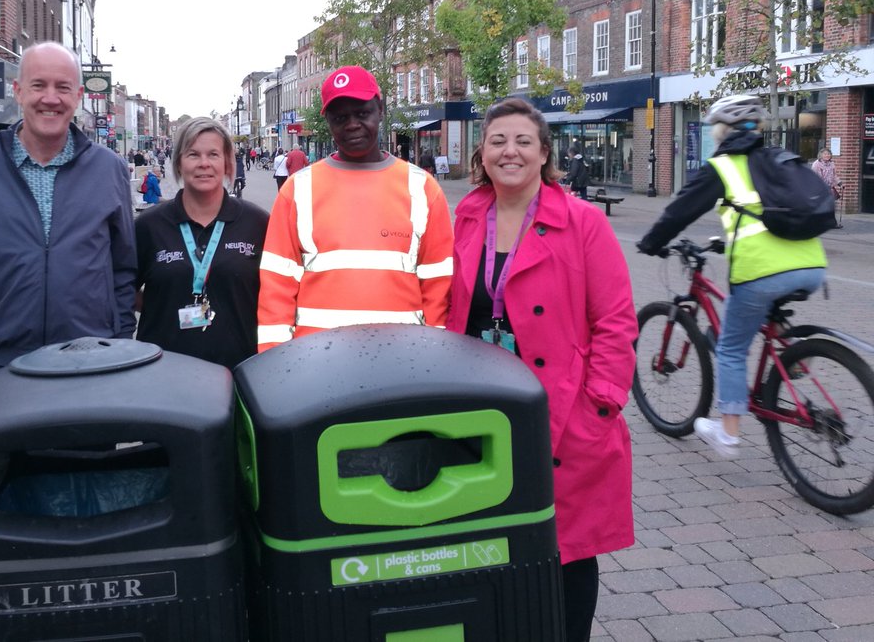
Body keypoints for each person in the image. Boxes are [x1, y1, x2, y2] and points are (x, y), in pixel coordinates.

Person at [445, 97, 636, 642]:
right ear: (482, 153)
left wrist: (599, 405)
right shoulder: (465, 218)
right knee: (492, 549)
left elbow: (616, 322)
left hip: (563, 414)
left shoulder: (582, 223)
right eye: (498, 141)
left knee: (568, 555)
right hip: (477, 418)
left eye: (523, 141)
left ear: (544, 153)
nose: (510, 151)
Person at [0, 42, 137, 398]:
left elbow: (123, 270)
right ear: (18, 91)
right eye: (39, 85)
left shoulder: (109, 170)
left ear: (78, 95)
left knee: (89, 457)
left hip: (90, 363)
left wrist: (119, 345)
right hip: (1, 365)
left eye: (62, 88)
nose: (51, 98)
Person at [638, 93, 827, 455]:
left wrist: (650, 242)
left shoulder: (723, 166)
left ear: (723, 130)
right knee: (760, 317)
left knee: (731, 347)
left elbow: (679, 212)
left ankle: (728, 433)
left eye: (714, 129)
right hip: (812, 265)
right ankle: (796, 356)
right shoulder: (778, 158)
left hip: (762, 271)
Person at [258, 65, 453, 348]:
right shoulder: (298, 190)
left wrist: (433, 355)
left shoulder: (422, 187)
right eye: (340, 118)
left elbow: (438, 284)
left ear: (380, 110)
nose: (352, 124)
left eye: (362, 113)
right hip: (315, 360)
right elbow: (277, 286)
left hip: (403, 358)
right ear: (328, 122)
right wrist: (274, 366)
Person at [135, 118, 270, 369]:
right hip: (164, 370)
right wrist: (161, 304)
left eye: (213, 154)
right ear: (178, 162)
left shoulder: (257, 222)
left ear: (227, 162)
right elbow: (123, 287)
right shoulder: (149, 225)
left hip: (240, 369)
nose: (204, 163)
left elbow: (278, 294)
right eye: (193, 154)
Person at [812, 146, 842, 227]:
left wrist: (839, 183)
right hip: (820, 188)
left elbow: (834, 175)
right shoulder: (816, 164)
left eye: (828, 154)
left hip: (829, 188)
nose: (827, 155)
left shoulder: (831, 164)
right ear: (821, 155)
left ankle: (832, 223)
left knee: (831, 206)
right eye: (825, 154)